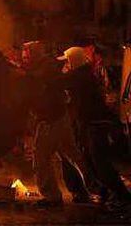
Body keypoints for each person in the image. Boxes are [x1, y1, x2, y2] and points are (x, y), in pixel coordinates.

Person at [57, 47, 131, 211]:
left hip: (96, 124)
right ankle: (108, 194)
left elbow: (59, 81)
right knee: (92, 160)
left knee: (100, 162)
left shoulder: (80, 75)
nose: (66, 65)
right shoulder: (83, 74)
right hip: (91, 124)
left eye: (67, 62)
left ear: (73, 61)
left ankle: (123, 196)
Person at [22, 42, 90, 207]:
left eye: (27, 54)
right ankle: (97, 187)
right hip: (57, 117)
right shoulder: (43, 67)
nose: (24, 57)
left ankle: (52, 196)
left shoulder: (44, 69)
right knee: (73, 156)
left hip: (50, 119)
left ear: (34, 54)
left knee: (41, 160)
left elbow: (39, 85)